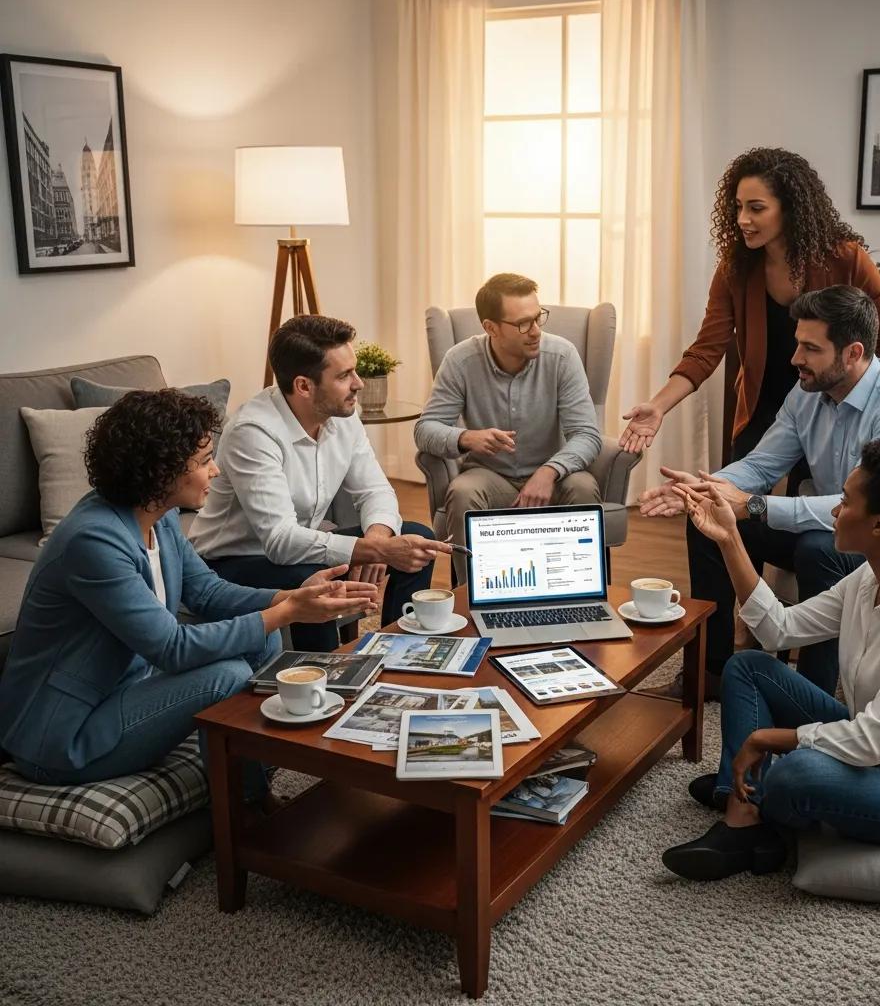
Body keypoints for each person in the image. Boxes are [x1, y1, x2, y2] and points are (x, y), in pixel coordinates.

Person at [0, 390, 377, 798]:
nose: (215, 470)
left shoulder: (157, 518)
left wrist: (290, 597)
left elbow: (207, 592)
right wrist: (288, 614)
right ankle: (244, 810)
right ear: (160, 471)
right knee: (228, 675)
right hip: (61, 737)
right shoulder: (94, 541)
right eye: (203, 461)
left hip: (123, 690)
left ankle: (251, 781)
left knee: (262, 637)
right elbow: (172, 648)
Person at [660, 439, 880, 882]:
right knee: (748, 668)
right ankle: (743, 815)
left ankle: (752, 802)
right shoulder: (869, 578)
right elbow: (778, 628)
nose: (835, 511)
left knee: (794, 774)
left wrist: (765, 739)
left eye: (846, 502)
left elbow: (870, 740)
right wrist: (728, 539)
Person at [640, 285, 880, 698]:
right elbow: (761, 464)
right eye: (797, 345)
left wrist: (752, 506)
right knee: (709, 523)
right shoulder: (807, 393)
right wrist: (705, 491)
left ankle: (811, 697)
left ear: (853, 353)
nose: (795, 359)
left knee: (818, 550)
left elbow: (869, 509)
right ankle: (710, 674)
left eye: (810, 348)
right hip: (841, 528)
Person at [619, 147, 880, 460]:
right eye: (739, 207)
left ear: (790, 209)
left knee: (808, 502)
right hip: (762, 404)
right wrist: (658, 406)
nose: (743, 219)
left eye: (756, 208)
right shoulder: (736, 268)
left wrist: (860, 401)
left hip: (830, 404)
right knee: (724, 501)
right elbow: (706, 349)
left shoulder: (847, 259)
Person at [190, 315, 452, 647]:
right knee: (315, 582)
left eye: (354, 370)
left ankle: (400, 650)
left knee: (418, 539)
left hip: (302, 548)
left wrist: (376, 541)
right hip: (232, 562)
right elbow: (280, 540)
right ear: (304, 385)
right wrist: (371, 550)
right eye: (344, 375)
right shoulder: (253, 432)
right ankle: (326, 679)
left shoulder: (342, 414)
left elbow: (375, 490)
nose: (358, 383)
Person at [414, 273, 602, 584]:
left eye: (538, 318)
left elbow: (587, 435)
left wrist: (550, 471)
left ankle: (576, 590)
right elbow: (425, 429)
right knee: (462, 492)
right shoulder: (460, 361)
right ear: (491, 328)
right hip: (490, 476)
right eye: (523, 324)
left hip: (553, 475)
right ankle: (469, 597)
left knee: (583, 487)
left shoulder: (562, 356)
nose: (536, 331)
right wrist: (464, 437)